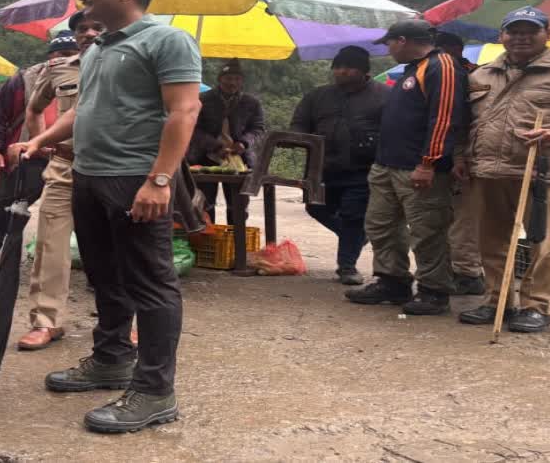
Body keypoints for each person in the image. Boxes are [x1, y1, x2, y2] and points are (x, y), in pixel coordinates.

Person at [19, 0, 203, 433]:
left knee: (151, 283)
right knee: (104, 276)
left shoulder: (166, 40)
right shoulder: (98, 45)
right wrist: (41, 140)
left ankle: (155, 390)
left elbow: (184, 110)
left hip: (133, 178)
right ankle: (112, 359)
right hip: (89, 175)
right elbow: (84, 110)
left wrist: (159, 180)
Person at [456, 8, 550, 333]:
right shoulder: (481, 74)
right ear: (501, 36)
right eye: (514, 31)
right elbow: (467, 124)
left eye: (530, 31)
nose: (521, 37)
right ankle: (497, 301)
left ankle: (536, 306)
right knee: (492, 241)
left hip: (540, 170)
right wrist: (461, 157)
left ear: (548, 34)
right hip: (488, 170)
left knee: (543, 242)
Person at [345, 19, 466, 315]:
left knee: (426, 230)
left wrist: (429, 163)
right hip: (388, 165)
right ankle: (392, 280)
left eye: (389, 44)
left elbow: (444, 118)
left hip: (419, 167)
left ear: (401, 40)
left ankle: (434, 291)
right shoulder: (412, 70)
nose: (388, 50)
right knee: (380, 225)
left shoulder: (442, 66)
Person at [9, 14, 104, 351]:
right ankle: (46, 322)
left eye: (97, 27)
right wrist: (40, 143)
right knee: (51, 248)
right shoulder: (59, 69)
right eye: (82, 29)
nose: (89, 32)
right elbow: (34, 110)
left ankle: (125, 323)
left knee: (118, 251)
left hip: (113, 171)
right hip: (64, 168)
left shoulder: (130, 65)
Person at [0, 36, 79, 273]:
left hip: (73, 156)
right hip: (27, 155)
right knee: (5, 206)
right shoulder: (24, 79)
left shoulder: (92, 74)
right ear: (50, 56)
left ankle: (92, 267)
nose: (66, 58)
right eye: (60, 54)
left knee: (81, 211)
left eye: (72, 52)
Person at [290, 46, 388, 285]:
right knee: (315, 208)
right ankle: (355, 237)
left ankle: (347, 267)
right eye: (338, 67)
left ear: (364, 71)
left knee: (353, 215)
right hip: (321, 169)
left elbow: (392, 130)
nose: (341, 72)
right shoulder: (318, 96)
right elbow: (299, 124)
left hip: (362, 169)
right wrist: (301, 139)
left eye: (348, 67)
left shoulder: (384, 96)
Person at [435, 31, 485, 295]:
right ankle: (453, 269)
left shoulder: (471, 78)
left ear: (454, 50)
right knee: (445, 219)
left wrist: (459, 155)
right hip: (440, 159)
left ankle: (467, 273)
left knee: (465, 218)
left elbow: (464, 124)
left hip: (465, 158)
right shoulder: (438, 75)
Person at [188, 58, 266, 225]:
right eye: (228, 78)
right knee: (204, 205)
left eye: (237, 79)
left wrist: (244, 143)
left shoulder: (251, 103)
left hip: (240, 162)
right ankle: (209, 243)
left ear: (242, 81)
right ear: (220, 79)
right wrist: (215, 146)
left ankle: (236, 245)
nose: (232, 83)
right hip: (205, 159)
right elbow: (193, 129)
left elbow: (258, 129)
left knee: (238, 206)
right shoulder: (202, 99)